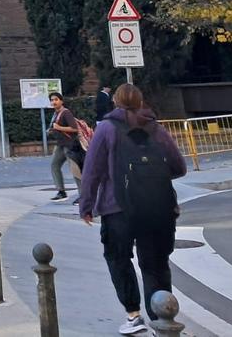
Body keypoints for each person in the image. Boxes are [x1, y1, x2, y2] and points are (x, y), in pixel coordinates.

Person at [79, 83, 187, 335]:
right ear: (141, 102)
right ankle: (161, 319)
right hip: (158, 207)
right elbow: (179, 167)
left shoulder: (105, 129)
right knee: (156, 263)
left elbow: (91, 172)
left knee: (118, 258)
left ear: (115, 102)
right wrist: (152, 179)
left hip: (117, 206)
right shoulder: (155, 127)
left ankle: (133, 314)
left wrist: (86, 205)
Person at [47, 92, 80, 202]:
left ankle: (83, 195)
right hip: (61, 144)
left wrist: (59, 127)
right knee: (54, 165)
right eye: (52, 100)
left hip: (70, 145)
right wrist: (52, 130)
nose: (54, 102)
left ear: (61, 101)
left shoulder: (66, 113)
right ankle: (61, 191)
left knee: (75, 169)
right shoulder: (56, 114)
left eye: (56, 99)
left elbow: (74, 128)